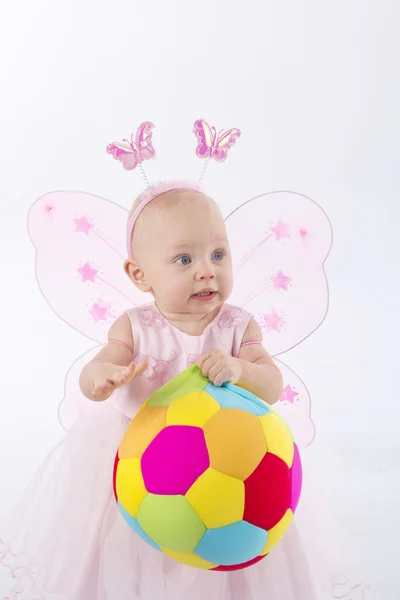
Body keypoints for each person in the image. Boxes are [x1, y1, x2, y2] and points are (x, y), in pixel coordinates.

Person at [0, 182, 369, 600]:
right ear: (140, 274)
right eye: (184, 259)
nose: (207, 270)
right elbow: (97, 369)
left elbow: (272, 384)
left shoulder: (237, 325)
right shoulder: (134, 327)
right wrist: (103, 379)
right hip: (144, 471)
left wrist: (239, 368)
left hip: (227, 472)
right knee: (127, 552)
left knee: (222, 550)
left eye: (218, 254)